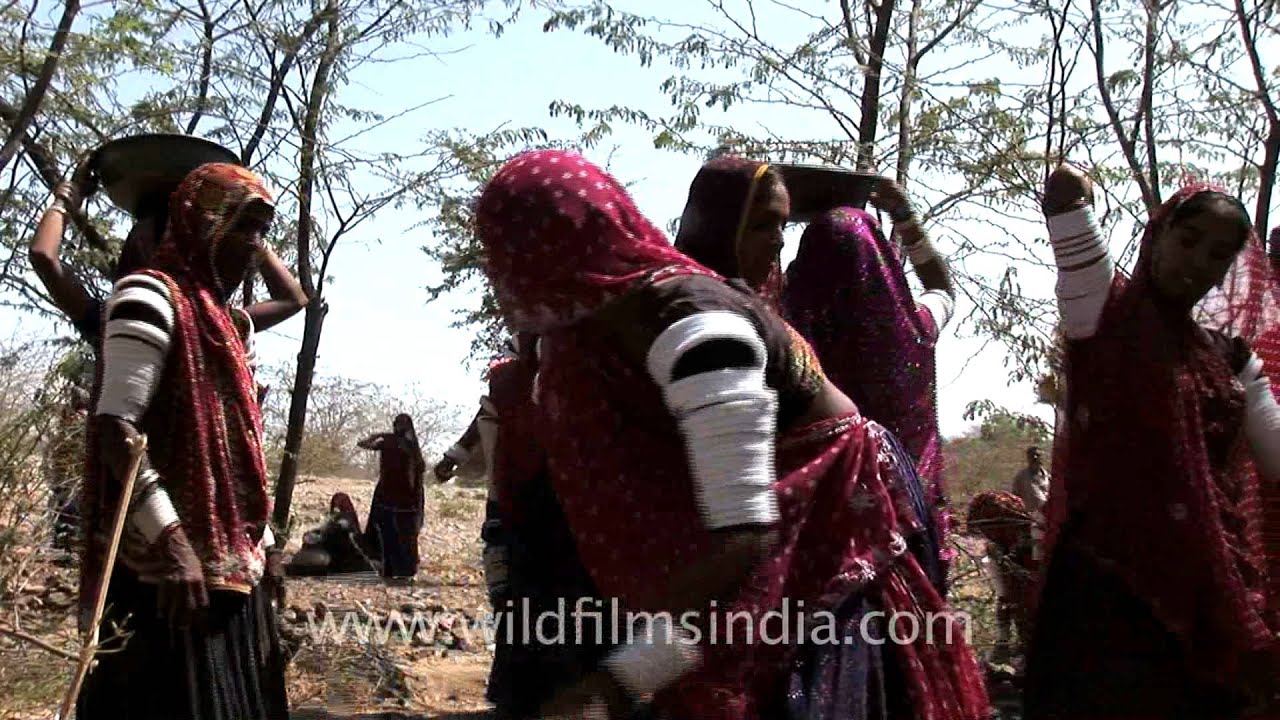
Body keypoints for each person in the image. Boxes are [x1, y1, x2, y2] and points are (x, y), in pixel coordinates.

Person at [475, 149, 987, 720]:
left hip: (820, 554)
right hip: (711, 585)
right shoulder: (591, 331)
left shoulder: (697, 326)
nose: (502, 276)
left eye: (508, 255)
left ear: (549, 251)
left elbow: (744, 535)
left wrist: (621, 681)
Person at [1024, 164, 1280, 719]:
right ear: (1158, 234)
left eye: (1217, 255)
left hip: (1209, 585)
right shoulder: (1103, 314)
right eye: (1188, 240)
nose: (1198, 262)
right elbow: (1063, 189)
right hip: (1108, 589)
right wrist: (1081, 188)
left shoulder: (1231, 360)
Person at [77, 163, 289, 719]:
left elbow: (237, 450)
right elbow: (115, 429)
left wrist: (264, 544)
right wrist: (173, 545)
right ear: (205, 225)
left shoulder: (223, 320)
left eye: (263, 231)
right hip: (168, 574)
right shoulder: (148, 296)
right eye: (244, 227)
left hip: (227, 567)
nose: (254, 245)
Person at [783, 189, 958, 584]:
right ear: (884, 266)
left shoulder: (790, 348)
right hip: (916, 532)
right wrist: (905, 217)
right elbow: (943, 289)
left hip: (825, 550)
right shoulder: (917, 329)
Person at [28, 169, 309, 351]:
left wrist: (65, 202)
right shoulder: (211, 325)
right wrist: (254, 234)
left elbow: (293, 300)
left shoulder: (214, 322)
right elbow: (292, 300)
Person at [674, 155, 791, 308]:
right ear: (717, 228)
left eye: (783, 226)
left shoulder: (760, 310)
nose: (780, 241)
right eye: (762, 225)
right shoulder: (694, 308)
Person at [965, 491, 1033, 665]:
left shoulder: (1006, 516)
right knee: (1008, 594)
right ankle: (1008, 641)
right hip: (1006, 543)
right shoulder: (987, 514)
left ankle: (1018, 642)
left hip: (1019, 546)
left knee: (1017, 595)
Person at [358, 413, 429, 579]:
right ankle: (391, 569)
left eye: (401, 424)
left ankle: (405, 570)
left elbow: (418, 472)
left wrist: (380, 435)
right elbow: (363, 444)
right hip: (389, 495)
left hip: (404, 498)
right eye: (397, 423)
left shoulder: (409, 446)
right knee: (388, 533)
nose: (398, 427)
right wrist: (380, 435)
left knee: (404, 535)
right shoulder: (391, 442)